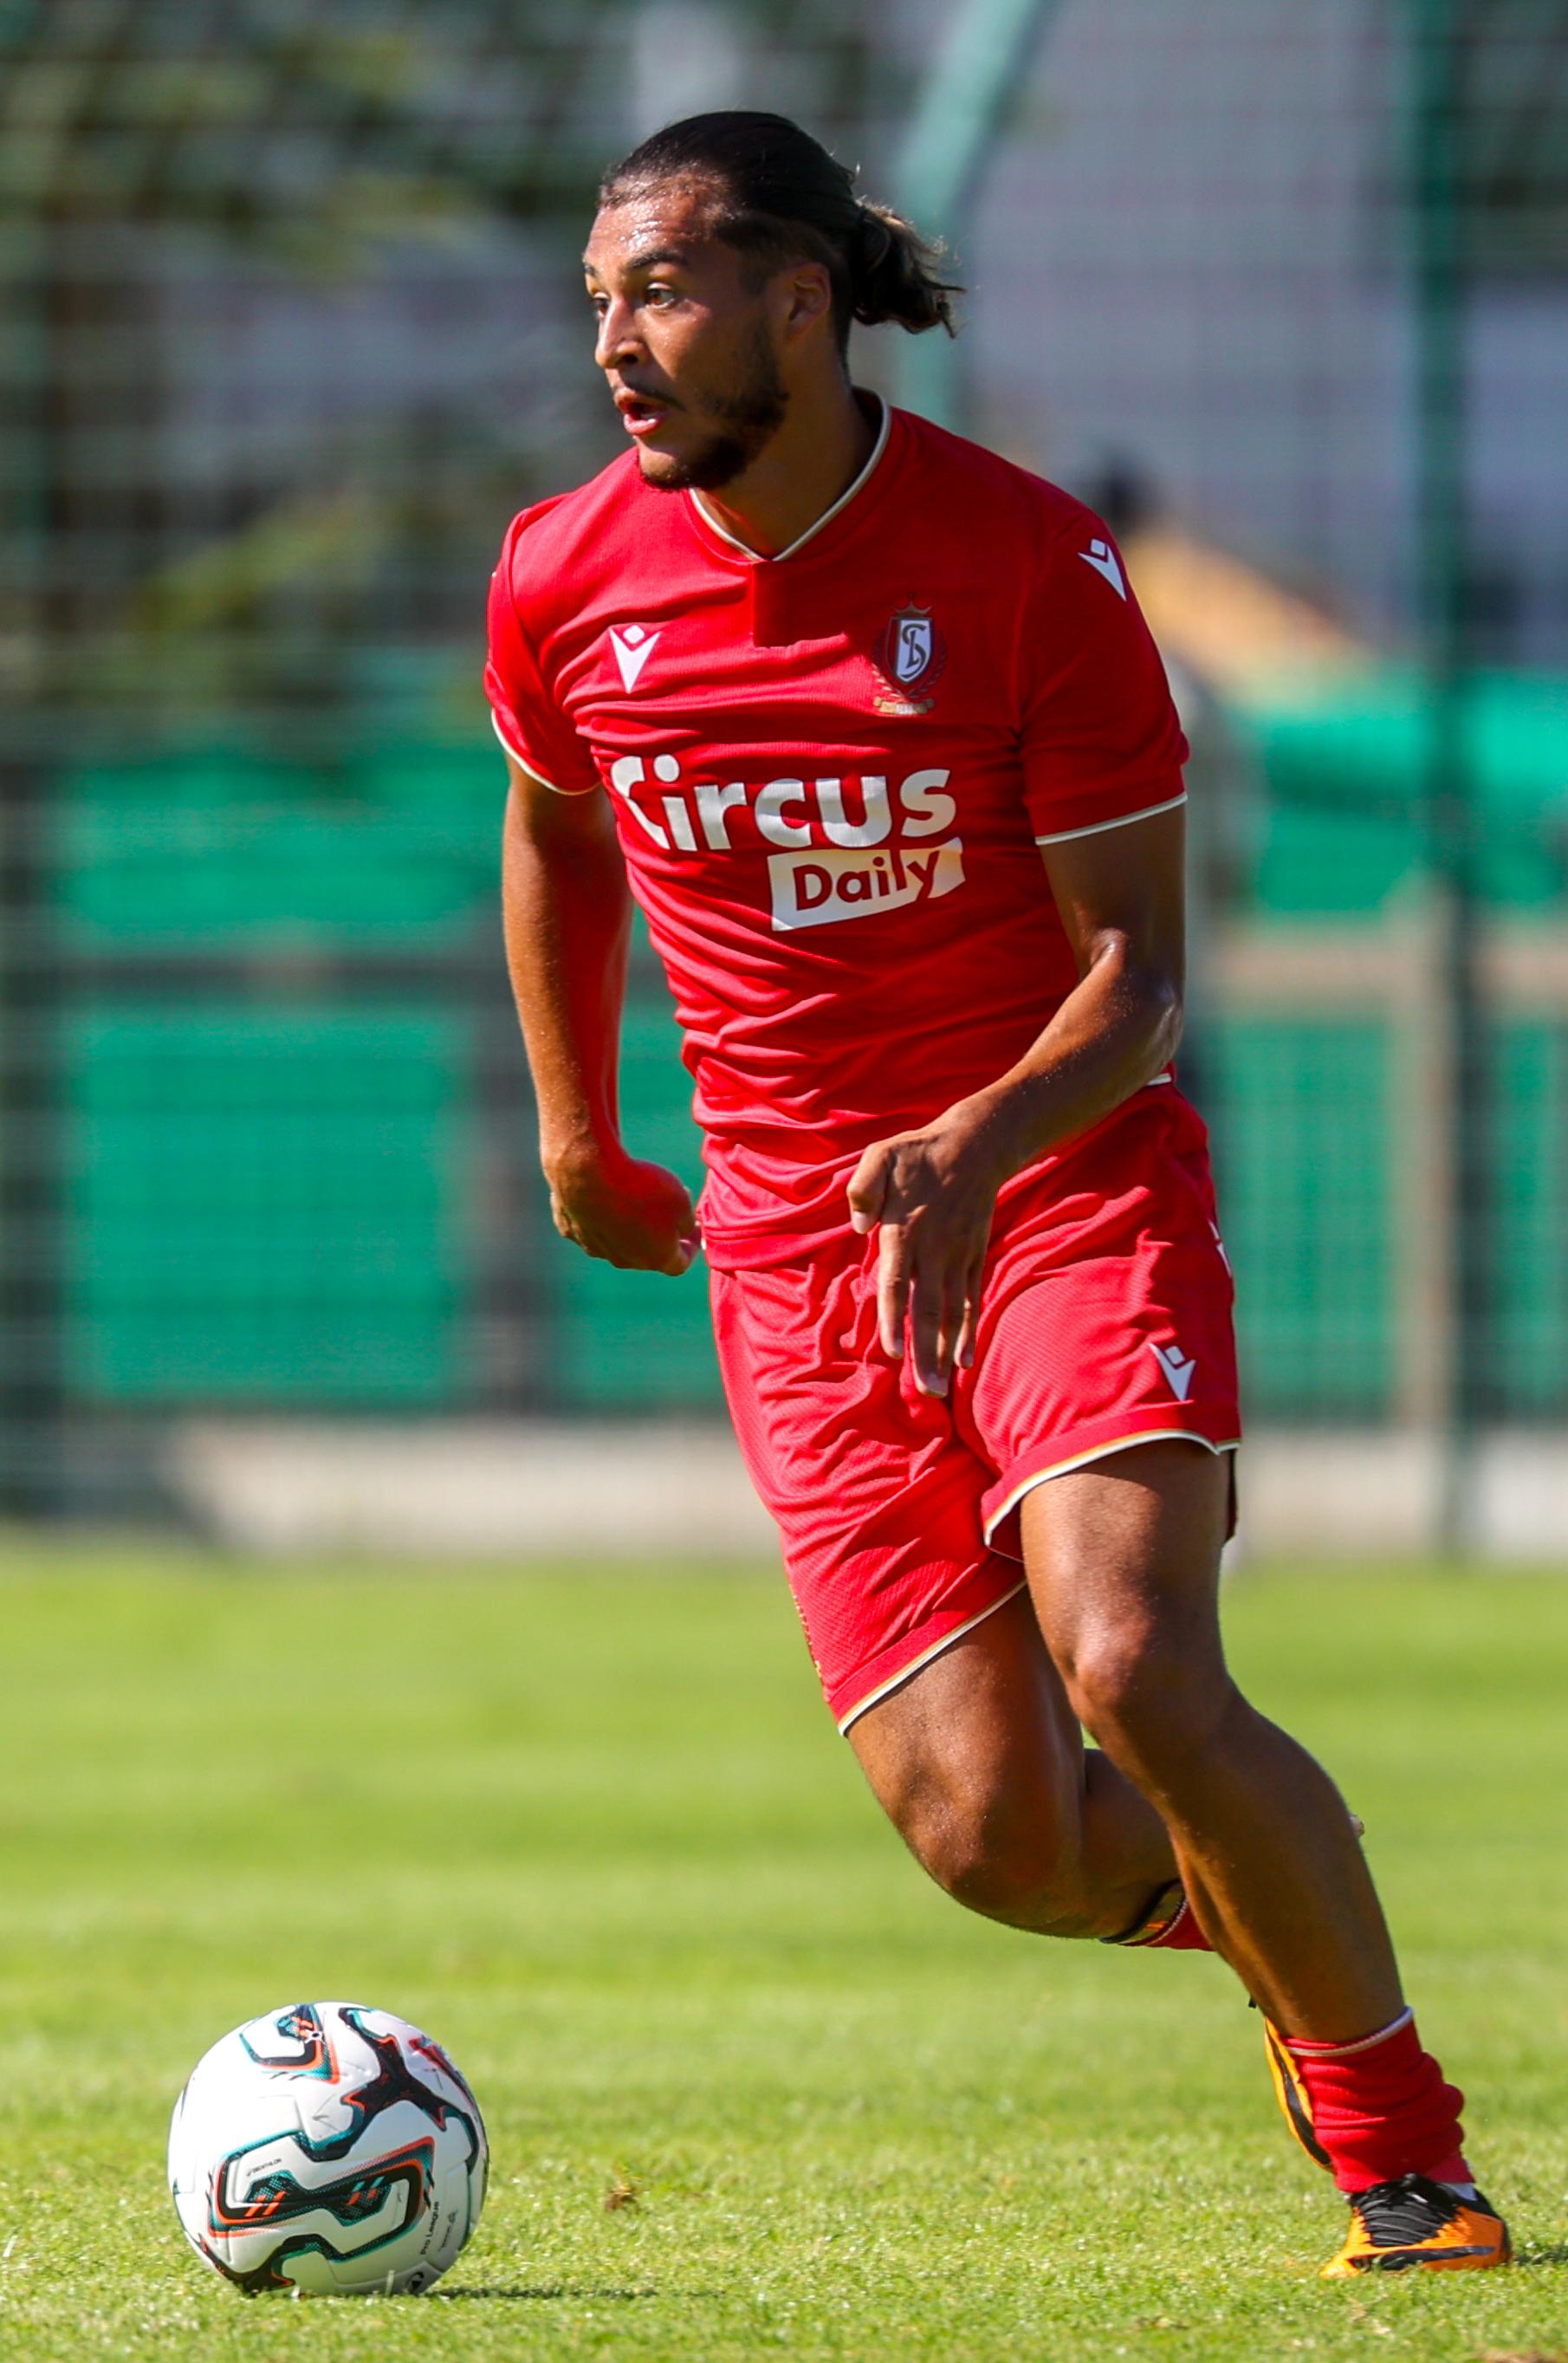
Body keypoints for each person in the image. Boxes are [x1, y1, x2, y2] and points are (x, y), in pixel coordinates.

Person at [485, 109, 1507, 2277]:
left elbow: (1138, 976)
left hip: (1054, 1182)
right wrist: (577, 1127)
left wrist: (966, 1149)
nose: (617, 347)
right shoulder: (562, 576)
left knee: (1131, 1657)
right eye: (597, 304)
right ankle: (1274, 1928)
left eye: (657, 292)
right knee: (989, 1833)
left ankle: (1402, 2157)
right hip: (792, 1252)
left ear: (799, 298)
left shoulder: (1028, 566)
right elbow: (558, 831)